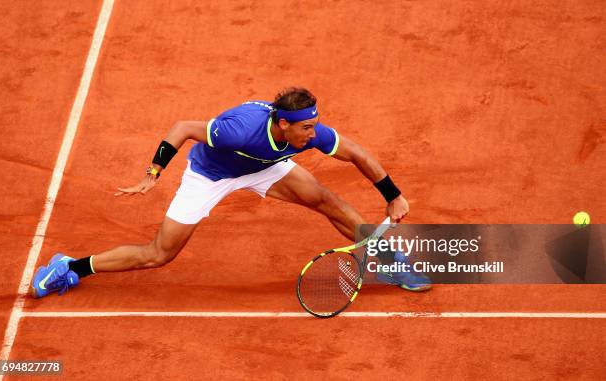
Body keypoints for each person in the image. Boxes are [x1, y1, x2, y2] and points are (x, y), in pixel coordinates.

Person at [31, 87, 430, 298]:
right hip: (211, 174)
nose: (314, 135)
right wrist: (154, 172)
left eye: (315, 126)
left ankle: (391, 262)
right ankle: (69, 267)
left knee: (327, 200)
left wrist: (392, 194)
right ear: (283, 126)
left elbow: (356, 153)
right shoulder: (237, 130)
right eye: (306, 129)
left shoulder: (306, 133)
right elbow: (183, 127)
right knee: (159, 255)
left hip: (263, 168)